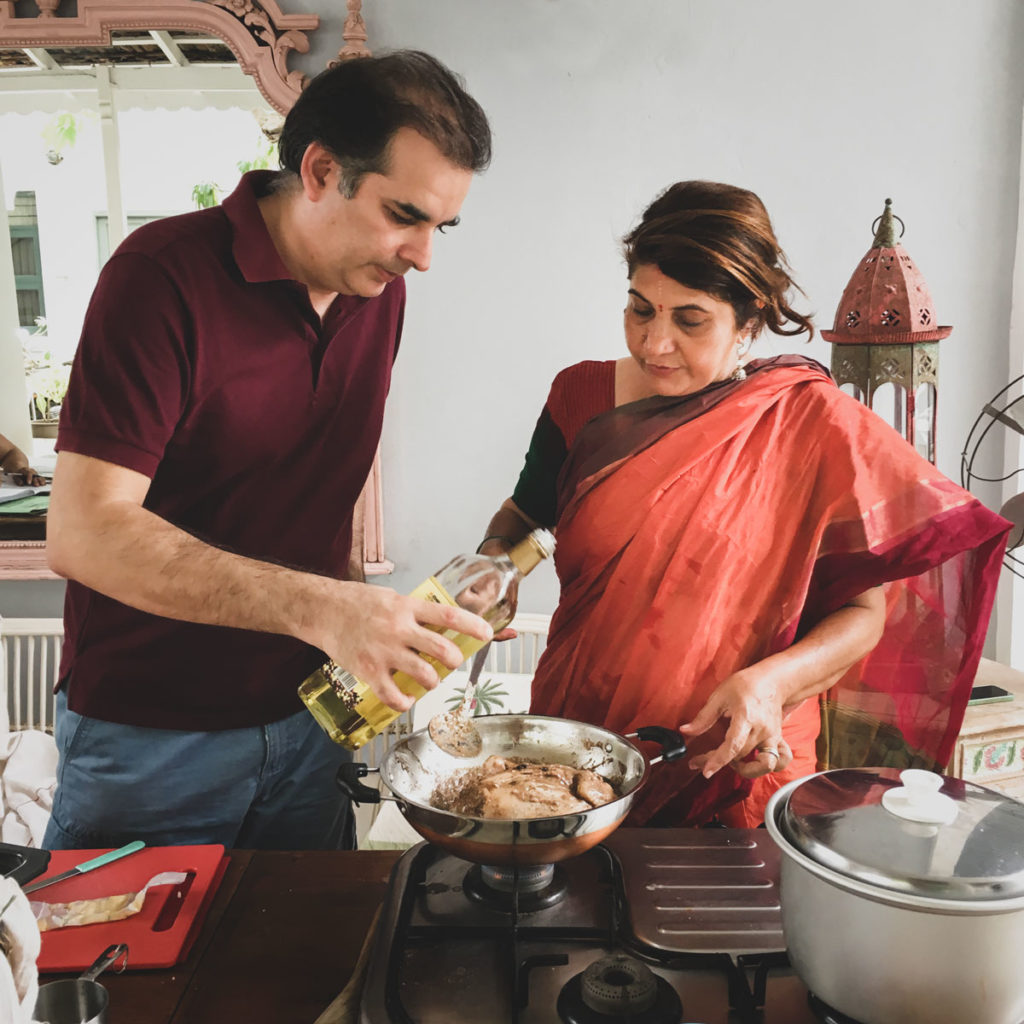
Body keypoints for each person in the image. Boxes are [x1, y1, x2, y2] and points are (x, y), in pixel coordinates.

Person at [43, 50, 494, 851]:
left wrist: (369, 622)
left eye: (441, 226)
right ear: (320, 170)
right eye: (405, 215)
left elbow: (308, 492)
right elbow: (85, 532)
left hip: (307, 720)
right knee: (134, 978)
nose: (423, 255)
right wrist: (329, 609)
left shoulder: (377, 294)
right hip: (153, 736)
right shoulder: (159, 277)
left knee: (306, 967)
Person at [480, 180, 1010, 828]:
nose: (655, 344)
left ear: (750, 319)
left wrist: (772, 685)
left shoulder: (809, 425)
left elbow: (864, 614)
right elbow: (523, 517)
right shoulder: (580, 395)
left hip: (740, 765)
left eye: (690, 320)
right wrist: (490, 565)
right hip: (575, 760)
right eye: (640, 309)